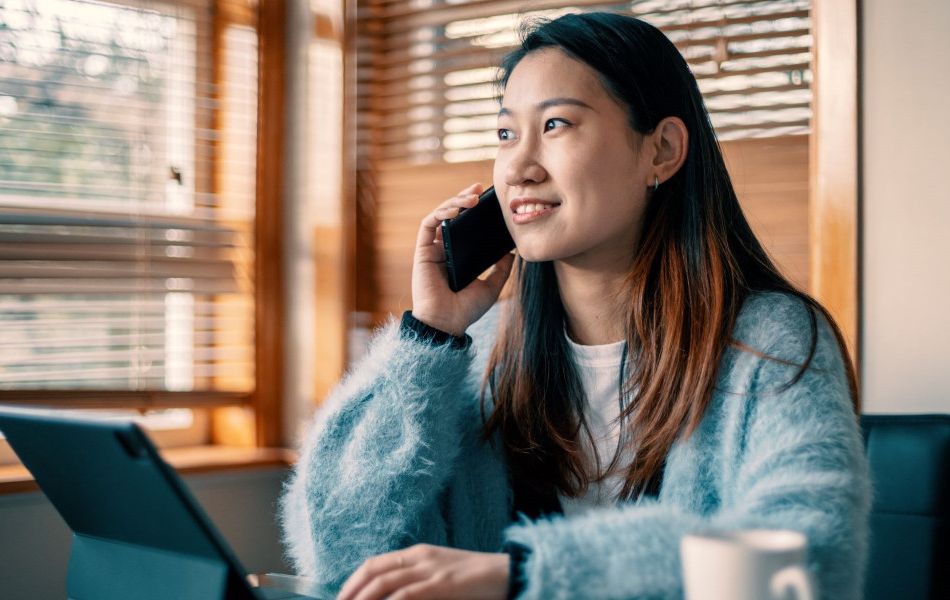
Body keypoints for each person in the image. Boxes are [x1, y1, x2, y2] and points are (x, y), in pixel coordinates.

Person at [280, 12, 870, 600]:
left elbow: (805, 556)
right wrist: (429, 338)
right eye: (506, 134)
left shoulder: (770, 341)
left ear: (661, 151)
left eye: (556, 124)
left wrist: (527, 578)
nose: (518, 168)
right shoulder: (481, 352)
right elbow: (340, 549)